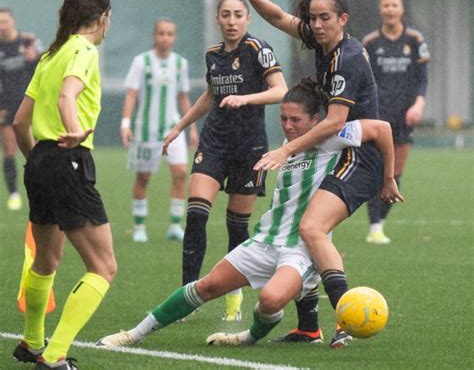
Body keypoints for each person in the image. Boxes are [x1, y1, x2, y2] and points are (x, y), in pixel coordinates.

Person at [96, 79, 401, 349]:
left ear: (316, 120)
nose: (288, 125)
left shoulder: (332, 136)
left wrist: (388, 179)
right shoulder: (286, 143)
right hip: (266, 239)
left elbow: (382, 129)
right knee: (207, 286)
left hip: (301, 248)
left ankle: (250, 337)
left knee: (270, 299)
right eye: (283, 118)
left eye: (296, 119)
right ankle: (133, 334)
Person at [237, 0, 396, 344]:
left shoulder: (348, 58)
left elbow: (334, 122)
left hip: (359, 155)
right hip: (338, 149)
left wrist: (285, 149)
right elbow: (279, 19)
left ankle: (344, 322)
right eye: (312, 18)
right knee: (300, 227)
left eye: (325, 18)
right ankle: (309, 326)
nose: (316, 25)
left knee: (310, 228)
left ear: (343, 19)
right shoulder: (322, 39)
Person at [162, 0, 287, 321]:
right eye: (226, 15)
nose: (231, 21)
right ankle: (185, 296)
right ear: (217, 19)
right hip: (214, 142)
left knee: (236, 227)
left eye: (237, 15)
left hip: (250, 148)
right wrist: (179, 126)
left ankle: (233, 299)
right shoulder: (212, 55)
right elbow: (210, 94)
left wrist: (245, 99)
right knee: (197, 215)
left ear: (248, 19)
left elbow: (281, 90)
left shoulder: (257, 50)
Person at [12, 0, 116, 370]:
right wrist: (72, 135)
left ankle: (33, 341)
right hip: (67, 156)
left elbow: (21, 121)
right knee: (103, 267)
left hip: (40, 160)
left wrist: (37, 161)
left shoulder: (50, 55)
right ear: (103, 18)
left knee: (46, 259)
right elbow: (66, 97)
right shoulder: (83, 50)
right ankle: (54, 356)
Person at [120, 18, 198, 243]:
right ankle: (139, 227)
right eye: (161, 33)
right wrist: (126, 124)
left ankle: (175, 225)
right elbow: (132, 94)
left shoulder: (180, 64)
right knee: (143, 177)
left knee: (181, 173)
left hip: (173, 130)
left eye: (170, 34)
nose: (165, 38)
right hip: (146, 130)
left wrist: (191, 128)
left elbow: (183, 97)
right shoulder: (141, 62)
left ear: (174, 37)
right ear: (154, 36)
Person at [363, 0, 430, 244]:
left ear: (402, 10)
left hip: (404, 117)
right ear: (380, 10)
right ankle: (374, 227)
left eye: (395, 5)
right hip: (378, 117)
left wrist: (419, 104)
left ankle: (379, 223)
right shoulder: (370, 43)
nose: (390, 9)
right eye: (386, 5)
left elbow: (423, 78)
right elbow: (364, 81)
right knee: (377, 173)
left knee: (395, 175)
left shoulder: (414, 40)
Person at [0, 7, 42, 211]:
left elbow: (43, 68)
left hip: (29, 102)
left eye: (5, 21)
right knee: (9, 149)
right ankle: (14, 193)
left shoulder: (28, 42)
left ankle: (40, 188)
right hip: (6, 105)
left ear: (13, 22)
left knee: (35, 149)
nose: (2, 26)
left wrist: (35, 58)